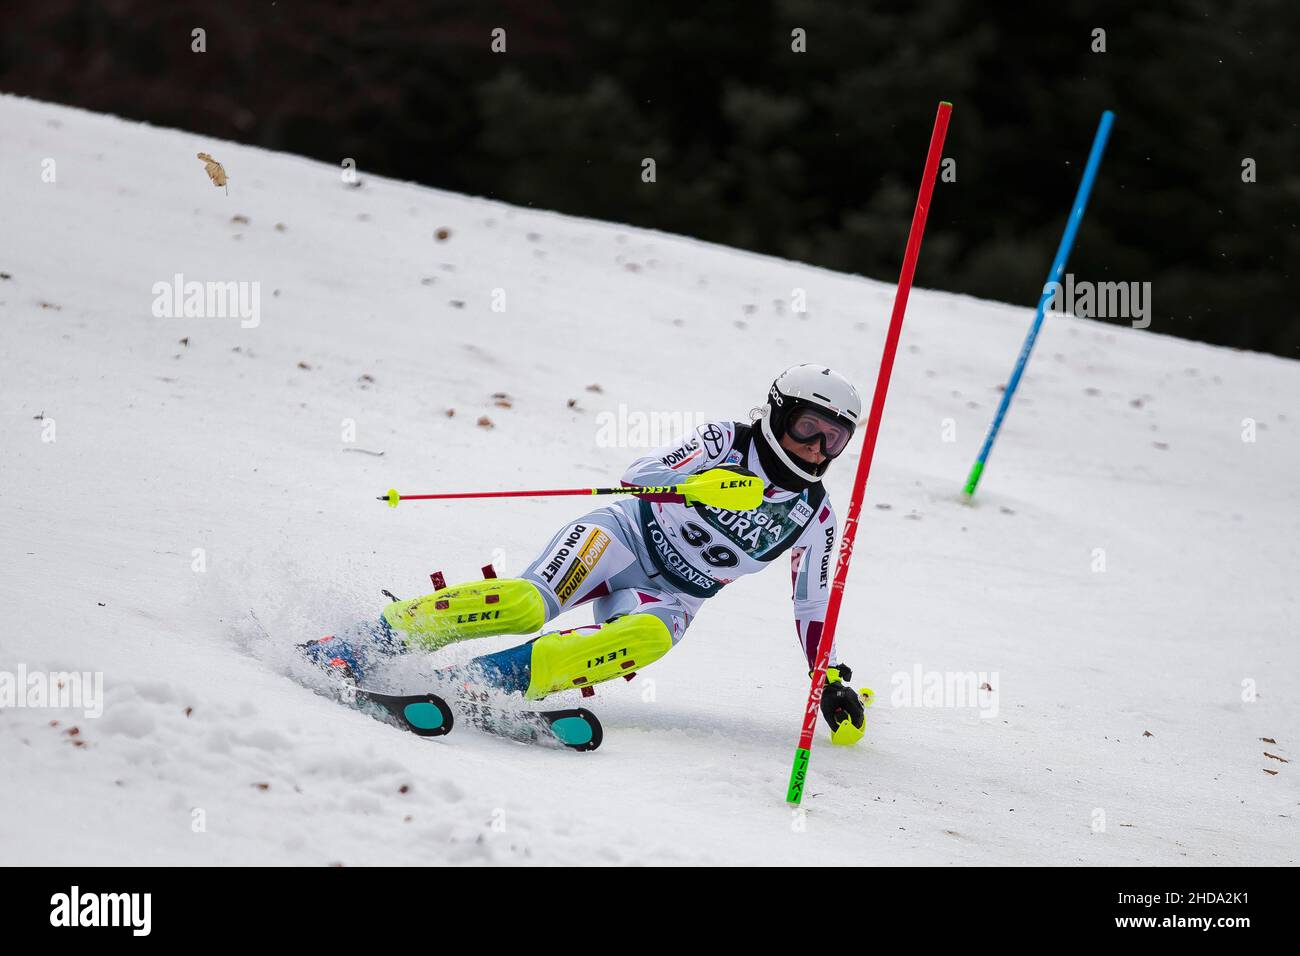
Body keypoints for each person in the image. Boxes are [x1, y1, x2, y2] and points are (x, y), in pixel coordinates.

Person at [304, 364, 868, 741]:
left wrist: (831, 678)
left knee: (649, 638)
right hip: (623, 537)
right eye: (806, 428)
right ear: (776, 414)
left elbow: (812, 607)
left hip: (675, 594)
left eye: (834, 439)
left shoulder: (813, 516)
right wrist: (700, 483)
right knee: (527, 604)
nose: (817, 448)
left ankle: (485, 683)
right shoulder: (726, 441)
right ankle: (363, 643)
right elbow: (638, 474)